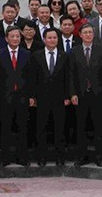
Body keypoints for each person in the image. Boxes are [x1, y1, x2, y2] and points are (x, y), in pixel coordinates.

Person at [0, 25, 34, 167]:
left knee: (22, 127)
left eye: (17, 36)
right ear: (6, 38)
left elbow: (31, 77)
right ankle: (5, 158)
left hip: (23, 96)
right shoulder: (0, 54)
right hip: (5, 96)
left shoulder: (26, 54)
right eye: (12, 36)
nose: (15, 39)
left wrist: (31, 96)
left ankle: (22, 157)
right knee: (5, 127)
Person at [30, 28, 71, 167]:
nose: (52, 40)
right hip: (42, 98)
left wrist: (67, 96)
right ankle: (42, 156)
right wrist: (33, 96)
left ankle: (60, 157)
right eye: (49, 38)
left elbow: (68, 77)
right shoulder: (36, 55)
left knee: (60, 128)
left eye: (55, 38)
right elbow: (33, 78)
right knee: (41, 127)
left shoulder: (64, 56)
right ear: (44, 39)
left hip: (60, 98)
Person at [70, 23, 102, 167]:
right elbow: (71, 74)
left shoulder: (101, 50)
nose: (88, 35)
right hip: (80, 94)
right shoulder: (74, 51)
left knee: (99, 126)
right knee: (81, 127)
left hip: (97, 94)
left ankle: (100, 156)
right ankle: (82, 156)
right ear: (80, 35)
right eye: (85, 32)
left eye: (90, 32)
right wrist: (72, 93)